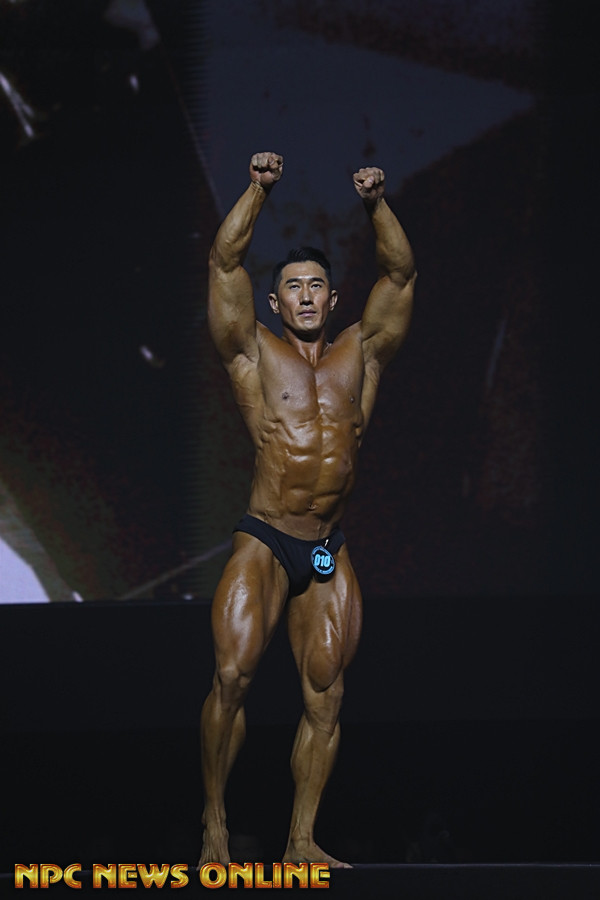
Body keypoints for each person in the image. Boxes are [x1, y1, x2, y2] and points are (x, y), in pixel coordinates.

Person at [199, 151, 416, 867]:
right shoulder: (253, 356)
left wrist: (376, 205)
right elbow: (224, 264)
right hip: (266, 537)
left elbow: (401, 277)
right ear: (276, 302)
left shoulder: (363, 354)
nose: (305, 296)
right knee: (233, 678)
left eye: (316, 285)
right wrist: (257, 191)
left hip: (326, 545)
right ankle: (215, 825)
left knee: (326, 696)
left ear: (332, 295)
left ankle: (301, 841)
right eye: (292, 286)